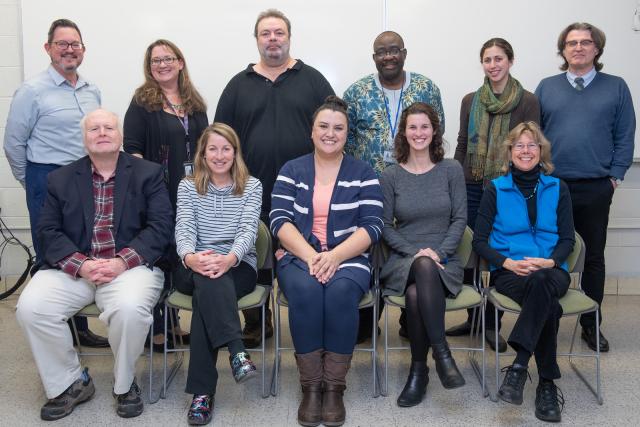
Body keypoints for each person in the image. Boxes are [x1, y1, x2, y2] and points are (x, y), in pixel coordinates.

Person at [15, 109, 173, 421]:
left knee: (129, 309)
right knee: (31, 307)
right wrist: (82, 265)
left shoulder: (148, 173)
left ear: (121, 136)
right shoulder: (60, 179)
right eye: (94, 129)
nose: (102, 133)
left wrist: (120, 262)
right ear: (84, 139)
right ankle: (70, 383)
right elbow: (47, 232)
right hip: (74, 269)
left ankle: (125, 384)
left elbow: (160, 228)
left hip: (130, 267)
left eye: (108, 127)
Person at [215, 8, 334, 348]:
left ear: (288, 38)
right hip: (250, 187)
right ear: (257, 40)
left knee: (305, 248)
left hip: (307, 189)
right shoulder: (238, 85)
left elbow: (333, 128)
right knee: (255, 248)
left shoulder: (312, 79)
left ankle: (313, 311)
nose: (272, 39)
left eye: (278, 33)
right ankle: (257, 318)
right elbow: (221, 137)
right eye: (266, 34)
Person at [270, 96, 383, 426]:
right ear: (312, 131)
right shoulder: (292, 169)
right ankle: (311, 387)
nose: (330, 133)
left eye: (338, 128)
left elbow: (373, 225)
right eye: (323, 126)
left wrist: (334, 256)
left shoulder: (363, 172)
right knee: (305, 292)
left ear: (348, 134)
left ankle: (333, 388)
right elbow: (279, 220)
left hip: (348, 256)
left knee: (338, 294)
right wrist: (312, 256)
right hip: (297, 254)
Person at [3, 18, 107, 348]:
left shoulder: (92, 90)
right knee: (52, 255)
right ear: (48, 48)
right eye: (61, 44)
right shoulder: (31, 91)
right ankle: (53, 331)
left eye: (74, 44)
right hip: (46, 178)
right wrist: (33, 183)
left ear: (83, 50)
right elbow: (13, 143)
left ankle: (79, 330)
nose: (68, 49)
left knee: (80, 249)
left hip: (85, 180)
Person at [535, 22, 635, 353]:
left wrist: (616, 176)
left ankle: (591, 325)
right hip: (553, 186)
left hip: (596, 186)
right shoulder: (547, 88)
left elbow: (625, 134)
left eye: (585, 42)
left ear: (597, 49)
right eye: (571, 43)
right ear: (563, 50)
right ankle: (544, 320)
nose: (578, 47)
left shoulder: (616, 87)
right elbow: (534, 137)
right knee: (549, 254)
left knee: (592, 257)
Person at [343, 30, 445, 341]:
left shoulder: (426, 88)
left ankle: (410, 318)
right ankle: (366, 319)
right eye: (381, 52)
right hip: (369, 190)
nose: (388, 56)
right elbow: (345, 144)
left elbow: (436, 134)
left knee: (410, 245)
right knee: (370, 251)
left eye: (394, 50)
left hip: (416, 188)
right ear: (374, 57)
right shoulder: (356, 92)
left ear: (404, 52)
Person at [473, 122, 575, 423]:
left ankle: (519, 365)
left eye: (532, 145)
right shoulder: (495, 189)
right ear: (510, 151)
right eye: (519, 145)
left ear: (541, 151)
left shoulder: (558, 187)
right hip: (510, 272)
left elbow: (567, 239)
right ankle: (546, 383)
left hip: (551, 271)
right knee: (549, 307)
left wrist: (550, 262)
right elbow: (479, 240)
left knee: (542, 282)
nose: (526, 151)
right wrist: (507, 263)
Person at [449, 38, 541, 352]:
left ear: (510, 61)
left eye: (499, 59)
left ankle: (491, 323)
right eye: (487, 60)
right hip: (472, 186)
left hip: (508, 188)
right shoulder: (469, 100)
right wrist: (458, 181)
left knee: (501, 252)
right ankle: (472, 316)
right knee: (472, 253)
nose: (493, 65)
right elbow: (462, 143)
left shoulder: (527, 101)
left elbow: (529, 147)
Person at [124, 39, 209, 352]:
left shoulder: (195, 102)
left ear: (180, 62)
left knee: (180, 254)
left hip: (190, 191)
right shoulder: (142, 102)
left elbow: (205, 147)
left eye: (168, 59)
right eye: (155, 61)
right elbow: (131, 150)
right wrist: (149, 186)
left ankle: (173, 323)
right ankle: (156, 327)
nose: (162, 65)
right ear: (150, 67)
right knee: (158, 256)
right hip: (156, 192)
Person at [380, 102, 467, 407]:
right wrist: (416, 252)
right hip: (404, 259)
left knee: (418, 293)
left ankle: (420, 372)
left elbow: (459, 219)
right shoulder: (390, 175)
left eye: (425, 126)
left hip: (444, 260)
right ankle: (442, 355)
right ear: (404, 133)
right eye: (412, 127)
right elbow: (385, 227)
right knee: (421, 267)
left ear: (434, 131)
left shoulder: (451, 169)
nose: (419, 133)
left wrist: (438, 253)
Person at [175, 123, 262, 425]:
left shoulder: (251, 186)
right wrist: (190, 257)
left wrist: (229, 258)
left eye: (226, 148)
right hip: (195, 265)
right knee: (206, 279)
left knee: (205, 300)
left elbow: (248, 230)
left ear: (235, 152)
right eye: (213, 148)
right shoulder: (187, 186)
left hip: (238, 266)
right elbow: (183, 229)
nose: (219, 154)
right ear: (203, 153)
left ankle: (202, 395)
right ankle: (237, 351)